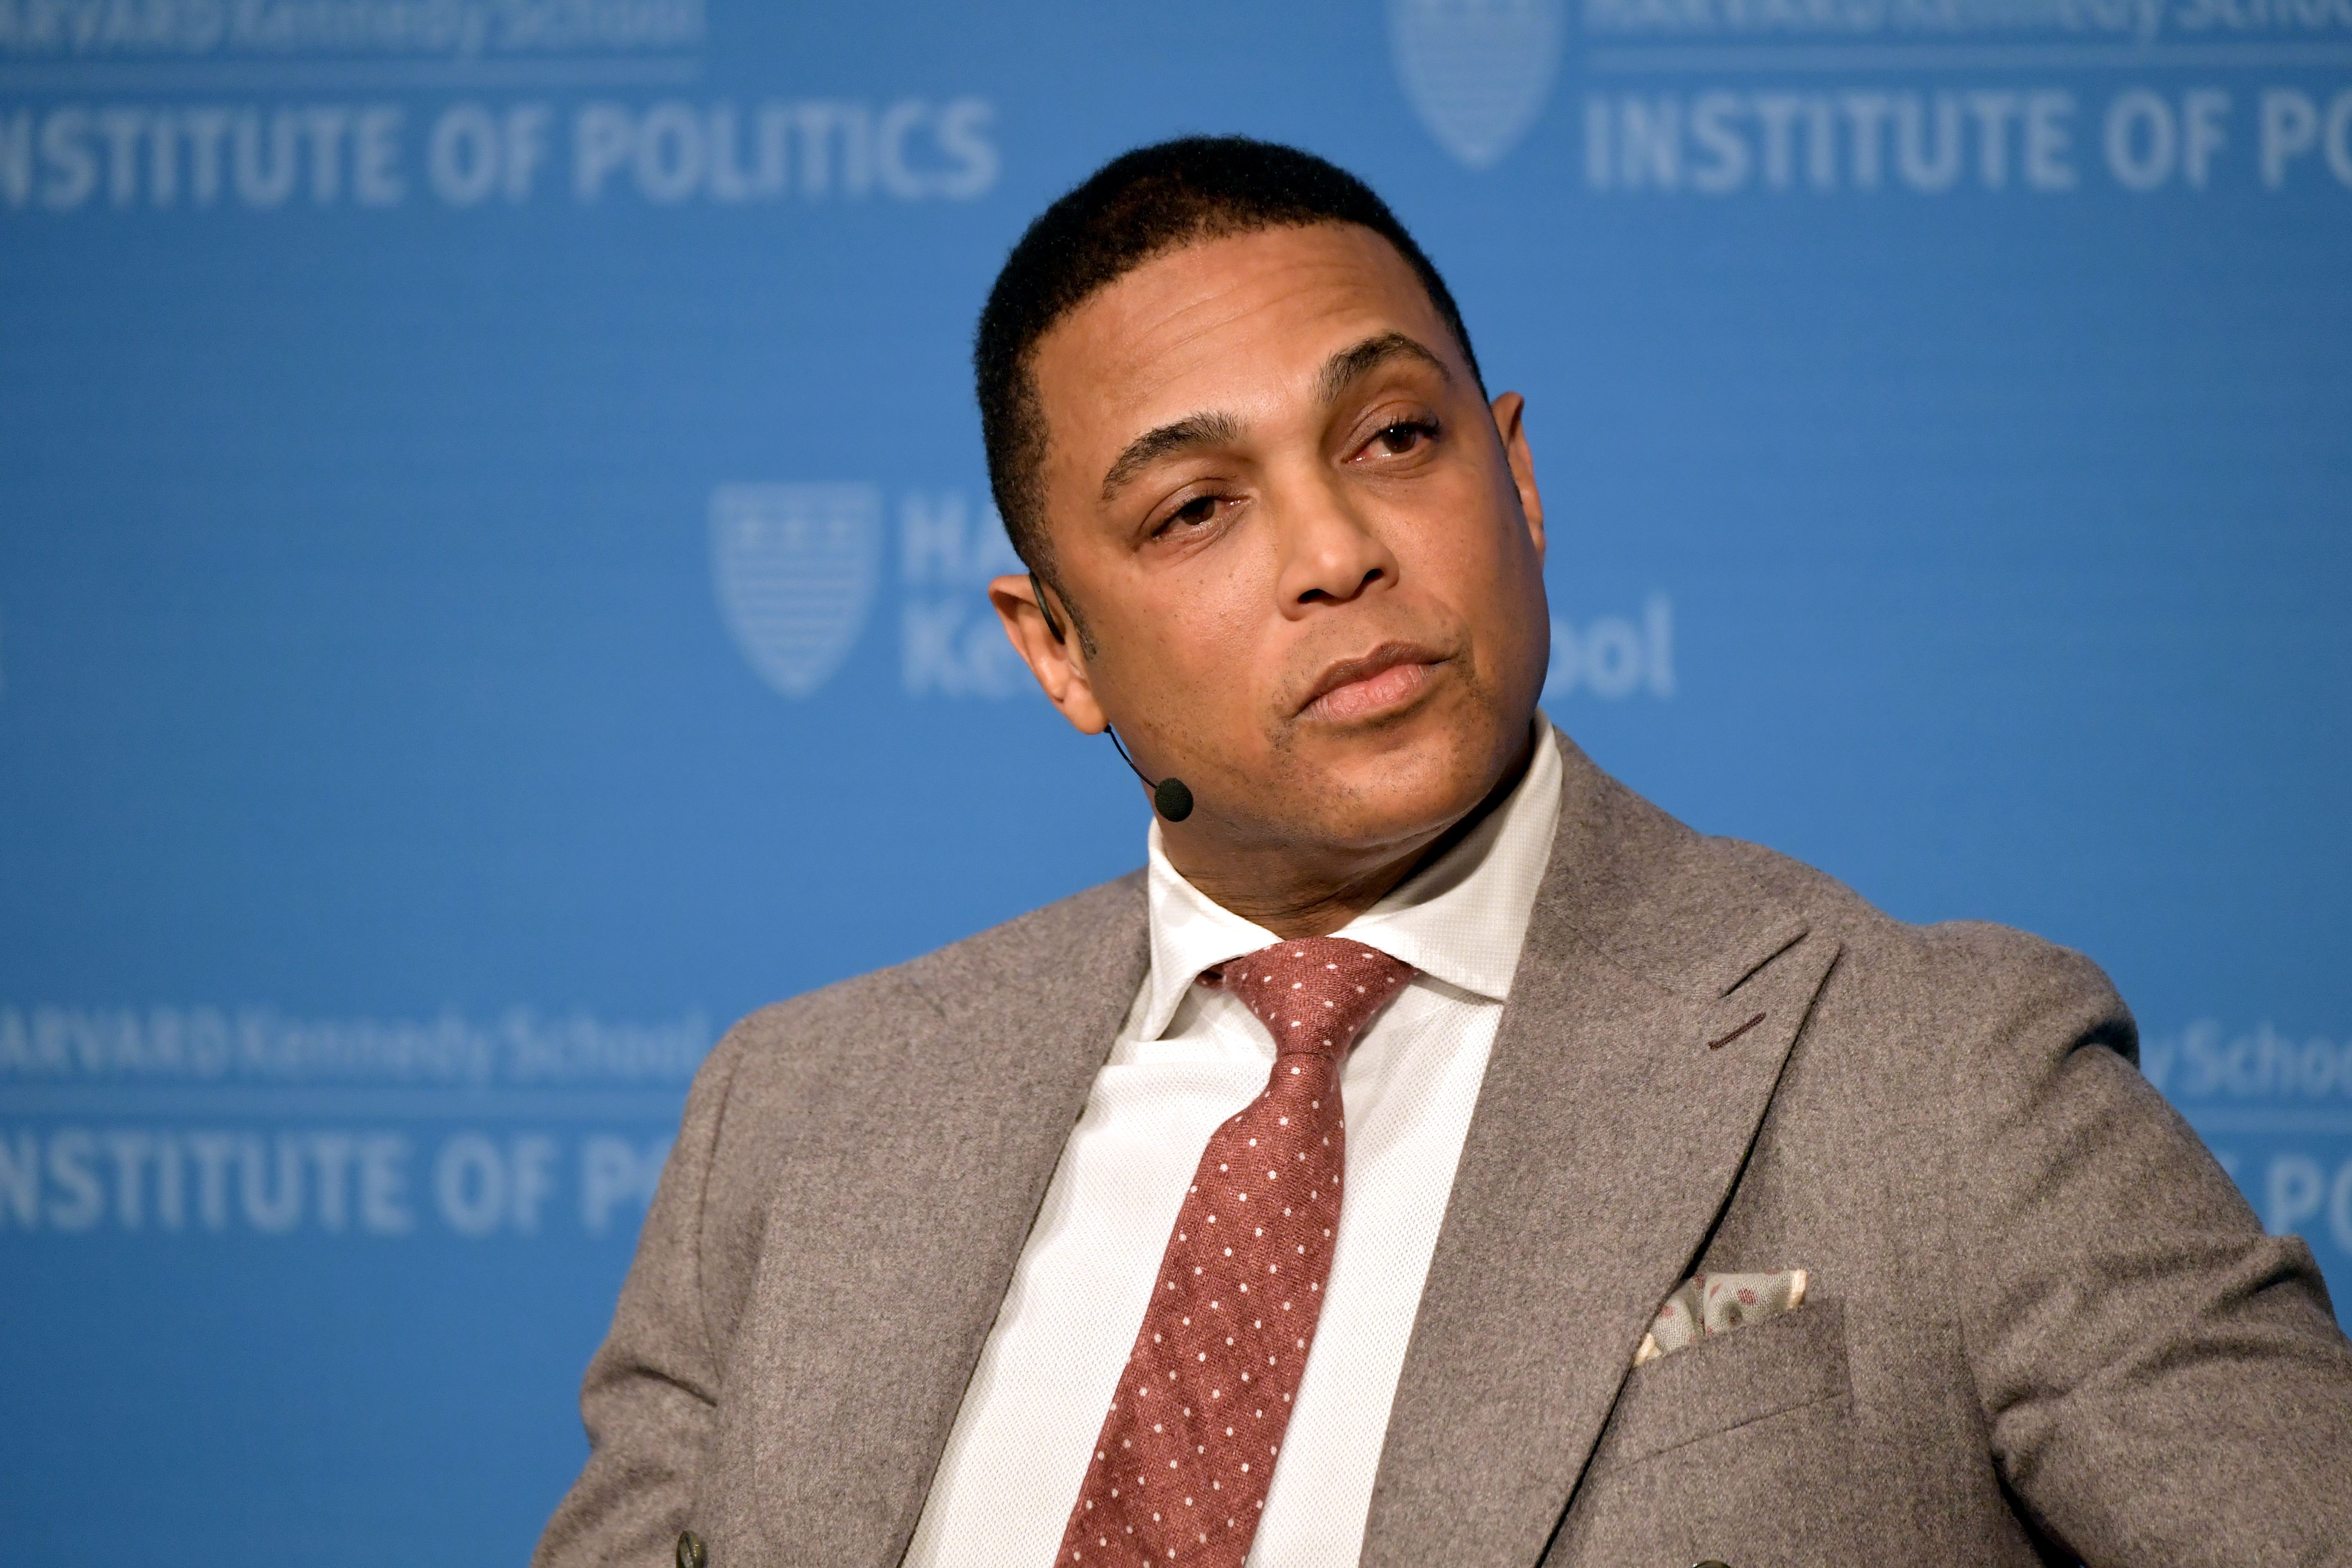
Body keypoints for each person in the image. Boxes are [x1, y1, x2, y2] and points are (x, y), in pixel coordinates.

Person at [534, 137, 2352, 1568]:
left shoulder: (1935, 1072)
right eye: (1196, 510)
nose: (1336, 549)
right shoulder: (795, 1120)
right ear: (1056, 648)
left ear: (1519, 482)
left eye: (1392, 437)